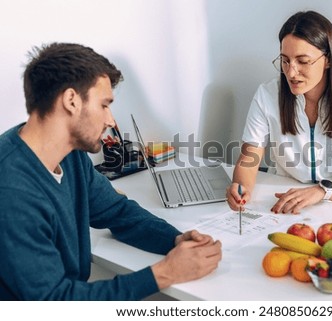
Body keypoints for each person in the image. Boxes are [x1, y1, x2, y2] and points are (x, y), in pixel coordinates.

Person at [0, 43, 222, 300]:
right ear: (71, 101)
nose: (111, 120)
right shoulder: (11, 190)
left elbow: (116, 211)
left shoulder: (70, 156)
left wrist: (175, 240)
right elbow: (54, 303)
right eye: (104, 105)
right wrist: (165, 273)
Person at [226, 11, 332, 214]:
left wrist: (322, 191)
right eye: (285, 60)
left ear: (328, 59)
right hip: (284, 197)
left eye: (302, 61)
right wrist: (241, 187)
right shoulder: (267, 95)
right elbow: (248, 161)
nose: (291, 72)